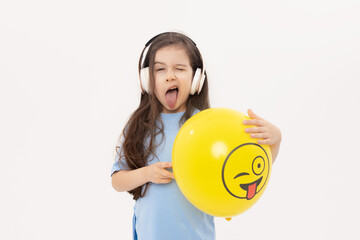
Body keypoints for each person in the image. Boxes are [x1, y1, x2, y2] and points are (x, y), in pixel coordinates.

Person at [111, 32, 282, 240]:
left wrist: (275, 141)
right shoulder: (139, 126)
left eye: (180, 69)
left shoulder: (209, 126)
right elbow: (118, 180)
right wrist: (146, 174)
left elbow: (248, 171)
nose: (170, 76)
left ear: (196, 79)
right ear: (148, 79)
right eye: (160, 69)